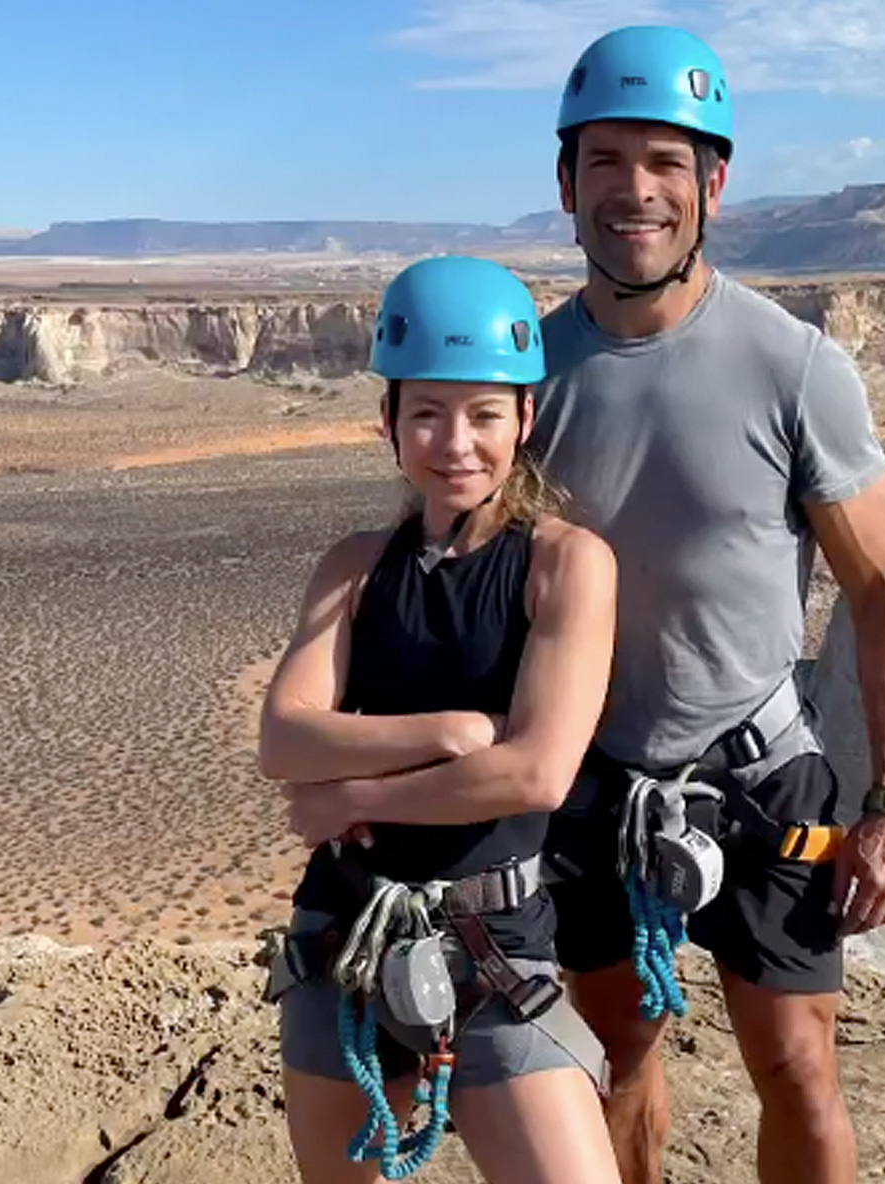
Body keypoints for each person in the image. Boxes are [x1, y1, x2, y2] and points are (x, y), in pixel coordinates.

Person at [529, 26, 885, 1184]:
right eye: (606, 161)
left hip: (761, 777)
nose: (634, 192)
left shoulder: (795, 366)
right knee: (617, 1054)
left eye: (665, 163)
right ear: (566, 183)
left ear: (713, 183)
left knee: (799, 1066)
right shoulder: (531, 375)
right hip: (596, 782)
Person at [257, 255, 622, 1184]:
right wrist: (450, 733)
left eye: (485, 414)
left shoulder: (567, 564)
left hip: (497, 947)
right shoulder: (355, 566)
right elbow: (283, 737)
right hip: (344, 935)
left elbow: (535, 773)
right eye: (427, 412)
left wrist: (349, 797)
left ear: (525, 420)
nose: (455, 442)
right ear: (389, 423)